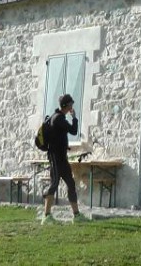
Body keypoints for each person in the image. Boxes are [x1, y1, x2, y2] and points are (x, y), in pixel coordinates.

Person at [41, 93, 82, 224]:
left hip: (61, 158)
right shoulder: (58, 119)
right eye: (71, 104)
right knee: (54, 184)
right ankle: (46, 216)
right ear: (67, 105)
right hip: (55, 158)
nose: (72, 106)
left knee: (70, 183)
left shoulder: (58, 117)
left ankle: (77, 215)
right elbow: (74, 131)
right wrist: (74, 118)